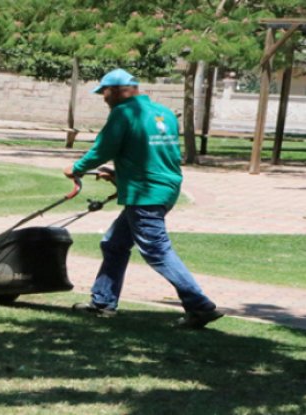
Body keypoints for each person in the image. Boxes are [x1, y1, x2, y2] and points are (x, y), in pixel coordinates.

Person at [63, 68, 223, 329]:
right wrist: (118, 174)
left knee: (157, 250)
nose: (103, 98)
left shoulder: (123, 113)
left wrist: (77, 168)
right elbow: (150, 154)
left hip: (146, 193)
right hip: (165, 188)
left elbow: (103, 149)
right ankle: (103, 302)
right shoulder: (164, 113)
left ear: (117, 91)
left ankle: (199, 306)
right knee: (114, 244)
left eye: (104, 92)